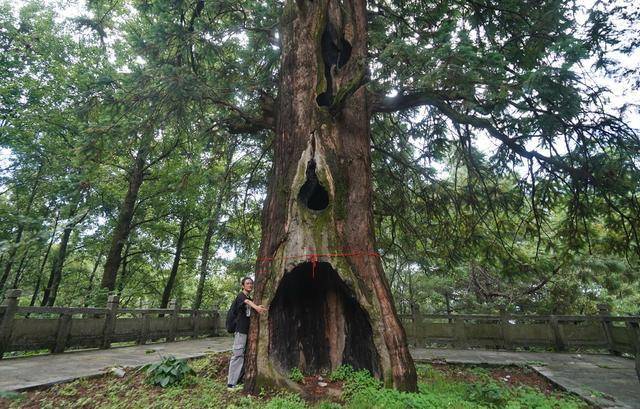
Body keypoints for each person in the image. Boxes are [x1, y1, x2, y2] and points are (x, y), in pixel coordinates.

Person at [227, 277, 267, 390]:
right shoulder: (241, 296)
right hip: (240, 330)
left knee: (243, 355)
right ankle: (231, 384)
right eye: (247, 283)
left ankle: (238, 380)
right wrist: (257, 308)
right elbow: (247, 302)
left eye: (251, 283)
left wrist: (258, 307)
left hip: (246, 331)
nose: (250, 285)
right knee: (237, 355)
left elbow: (249, 304)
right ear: (243, 285)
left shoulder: (249, 298)